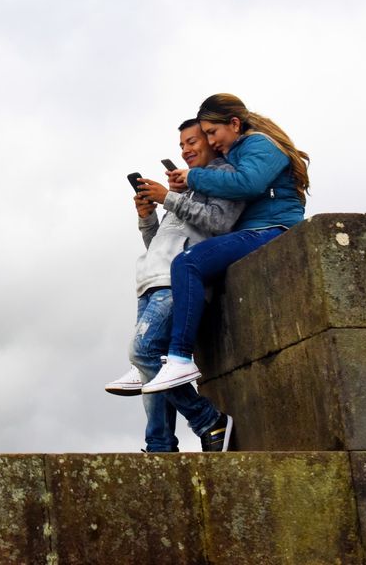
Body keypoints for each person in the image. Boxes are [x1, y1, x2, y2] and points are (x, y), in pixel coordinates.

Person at [144, 94, 309, 397]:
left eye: (211, 133)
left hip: (272, 229)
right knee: (188, 263)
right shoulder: (236, 150)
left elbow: (248, 184)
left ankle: (179, 356)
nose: (210, 140)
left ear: (234, 124)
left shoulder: (258, 144)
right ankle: (154, 355)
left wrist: (194, 177)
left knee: (188, 262)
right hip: (253, 230)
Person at [108, 119, 244, 452]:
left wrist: (168, 198)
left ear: (213, 141)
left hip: (177, 282)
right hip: (151, 281)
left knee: (142, 352)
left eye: (194, 141)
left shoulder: (224, 177)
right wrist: (147, 217)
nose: (185, 150)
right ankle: (159, 446)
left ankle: (209, 421)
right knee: (150, 369)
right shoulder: (185, 189)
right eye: (182, 144)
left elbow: (219, 223)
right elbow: (159, 243)